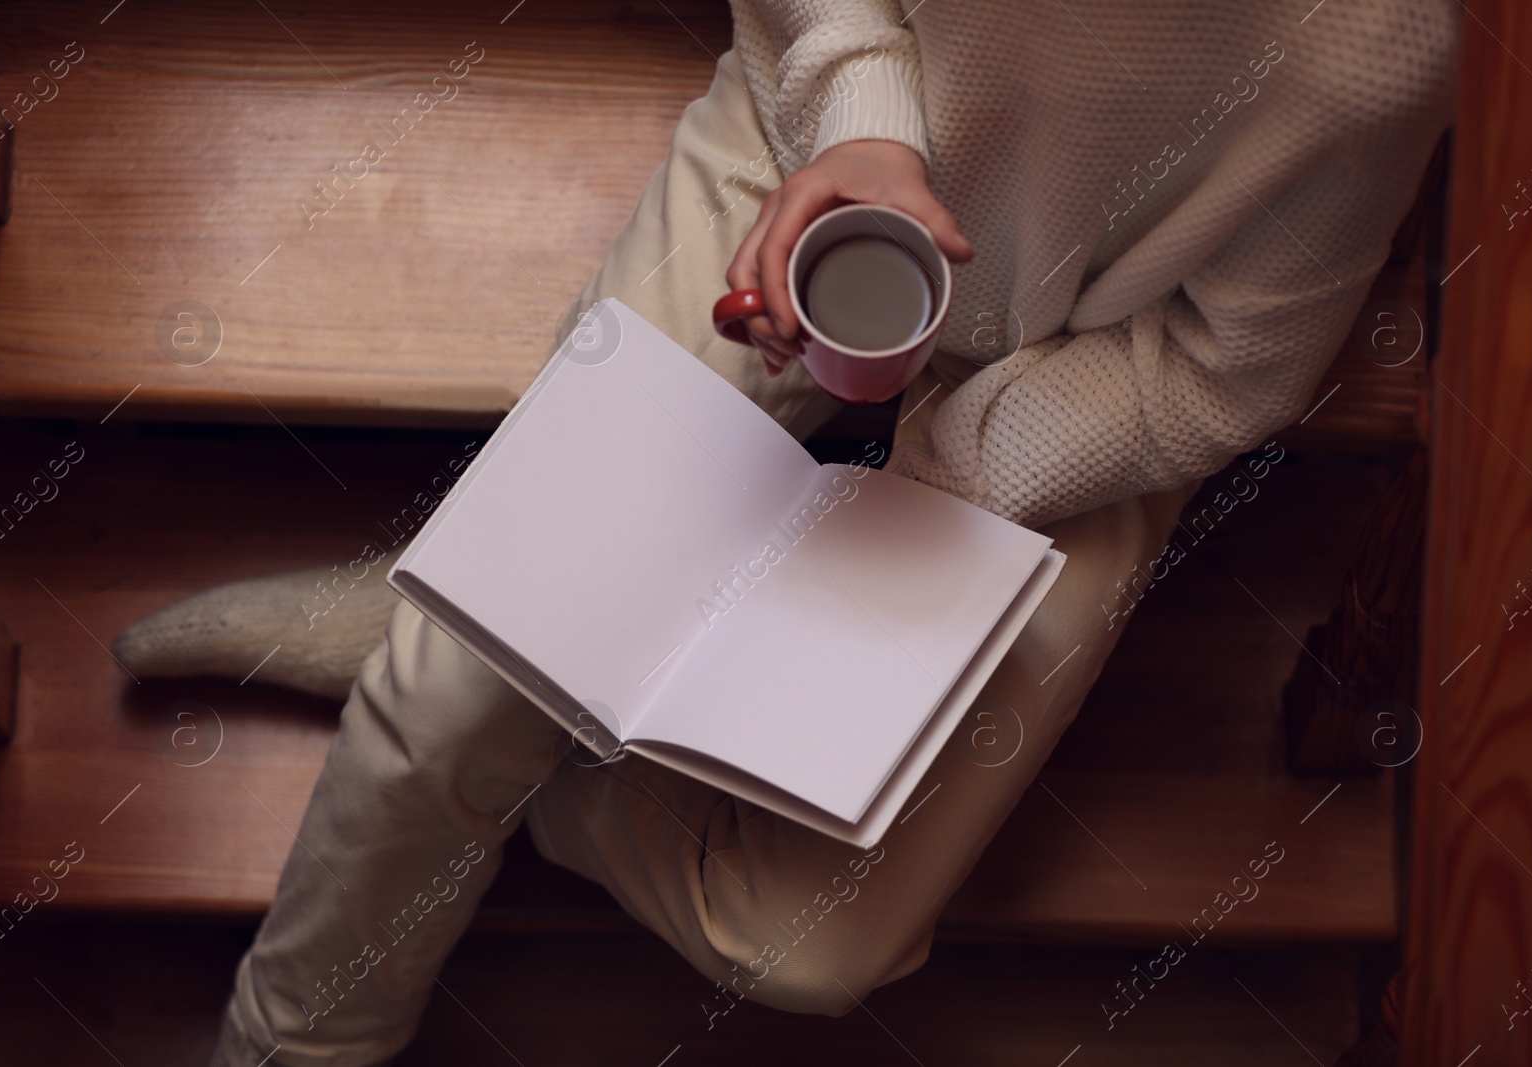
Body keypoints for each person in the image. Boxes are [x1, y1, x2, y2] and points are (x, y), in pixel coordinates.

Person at [107, 1, 1457, 1062]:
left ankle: (486, 636)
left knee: (808, 951)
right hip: (805, 166)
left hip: (1086, 392)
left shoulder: (1392, 43)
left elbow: (1228, 371)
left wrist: (938, 476)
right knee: (447, 708)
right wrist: (862, 115)